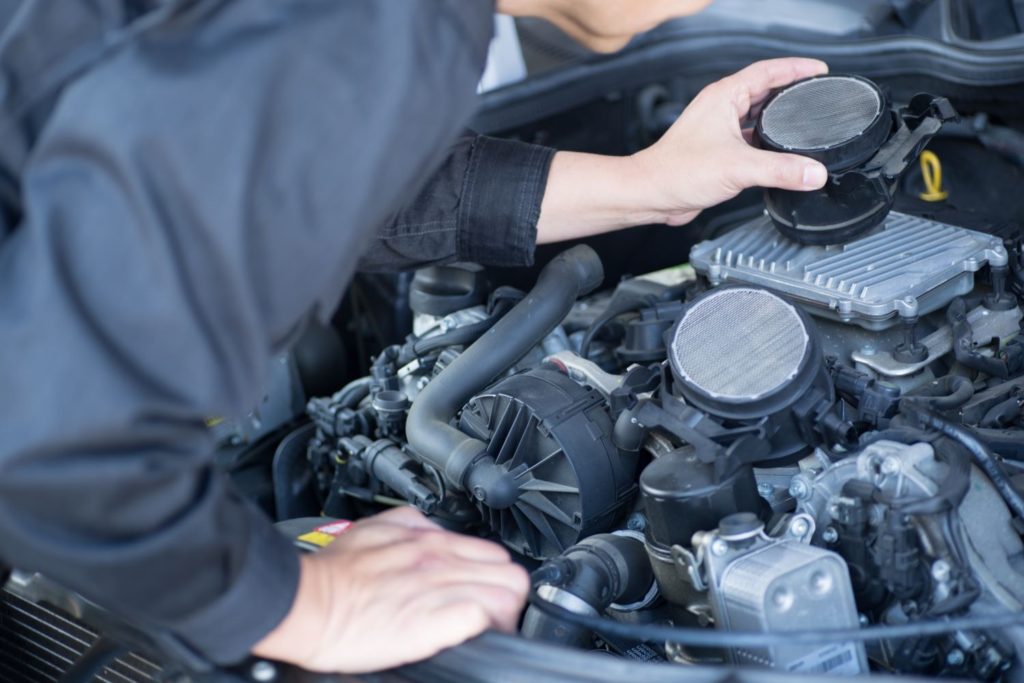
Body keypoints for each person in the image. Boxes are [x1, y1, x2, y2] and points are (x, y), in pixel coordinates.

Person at [0, 0, 828, 674]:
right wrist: (307, 607)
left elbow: (315, 171)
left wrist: (645, 185)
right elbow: (62, 433)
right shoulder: (394, 24)